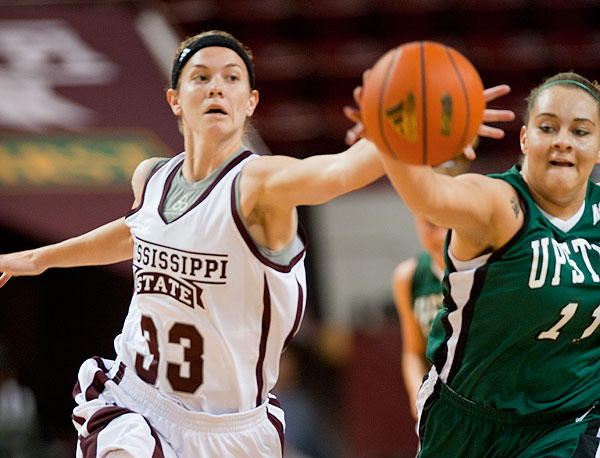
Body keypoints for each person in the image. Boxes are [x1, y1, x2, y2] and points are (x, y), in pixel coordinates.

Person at [0, 30, 511, 457]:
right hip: (136, 398)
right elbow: (136, 233)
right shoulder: (151, 177)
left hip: (231, 430)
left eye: (231, 78)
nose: (216, 87)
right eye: (200, 77)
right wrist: (41, 258)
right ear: (176, 100)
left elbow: (336, 172)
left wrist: (402, 128)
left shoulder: (261, 186)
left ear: (250, 102)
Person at [361, 71, 600, 457]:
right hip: (466, 422)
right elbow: (428, 197)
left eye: (581, 131)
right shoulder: (498, 203)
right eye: (547, 127)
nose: (562, 141)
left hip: (567, 422)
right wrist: (395, 130)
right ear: (524, 139)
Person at [391, 157, 470, 420]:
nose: (440, 234)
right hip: (442, 410)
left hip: (486, 406)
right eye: (429, 224)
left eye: (446, 221)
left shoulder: (489, 267)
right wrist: (422, 404)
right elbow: (413, 352)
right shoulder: (409, 277)